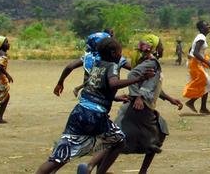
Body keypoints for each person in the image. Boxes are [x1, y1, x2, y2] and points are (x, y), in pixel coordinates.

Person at [36, 37, 154, 174]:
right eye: (119, 52)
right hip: (95, 116)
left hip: (79, 112)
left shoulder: (96, 64)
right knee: (119, 140)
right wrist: (139, 78)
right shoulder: (112, 66)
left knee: (59, 156)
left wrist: (114, 98)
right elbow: (113, 84)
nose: (121, 54)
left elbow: (95, 88)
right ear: (113, 53)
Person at [95, 40, 183, 174]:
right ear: (155, 49)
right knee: (158, 134)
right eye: (161, 45)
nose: (163, 48)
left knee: (116, 139)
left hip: (135, 108)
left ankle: (93, 166)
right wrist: (138, 96)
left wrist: (169, 98)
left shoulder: (149, 62)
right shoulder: (151, 63)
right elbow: (133, 76)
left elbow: (153, 86)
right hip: (139, 108)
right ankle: (141, 171)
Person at [52, 32, 130, 98]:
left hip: (87, 97)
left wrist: (60, 82)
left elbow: (70, 67)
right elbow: (133, 68)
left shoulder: (87, 57)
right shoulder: (114, 57)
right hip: (101, 101)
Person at [182, 20, 210, 114]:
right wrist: (208, 63)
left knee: (207, 84)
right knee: (208, 84)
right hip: (194, 64)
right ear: (202, 28)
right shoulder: (201, 38)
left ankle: (202, 107)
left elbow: (192, 50)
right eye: (207, 25)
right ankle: (193, 103)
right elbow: (195, 52)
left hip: (195, 62)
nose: (209, 26)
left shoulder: (201, 37)